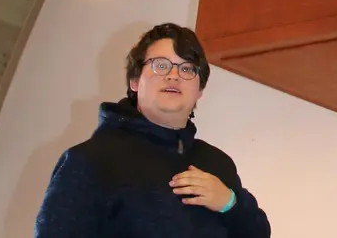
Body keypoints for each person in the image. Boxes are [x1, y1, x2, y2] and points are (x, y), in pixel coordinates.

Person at [34, 23, 271, 237]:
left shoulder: (216, 162)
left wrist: (229, 203)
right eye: (160, 65)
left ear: (200, 90)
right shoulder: (90, 160)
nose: (173, 75)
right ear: (135, 82)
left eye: (187, 69)